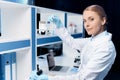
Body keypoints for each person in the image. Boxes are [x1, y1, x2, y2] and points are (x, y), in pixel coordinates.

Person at [29, 5, 116, 80]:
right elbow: (72, 42)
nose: (87, 24)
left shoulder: (106, 48)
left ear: (103, 20)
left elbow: (83, 78)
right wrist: (59, 26)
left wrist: (49, 78)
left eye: (91, 19)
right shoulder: (92, 40)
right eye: (84, 21)